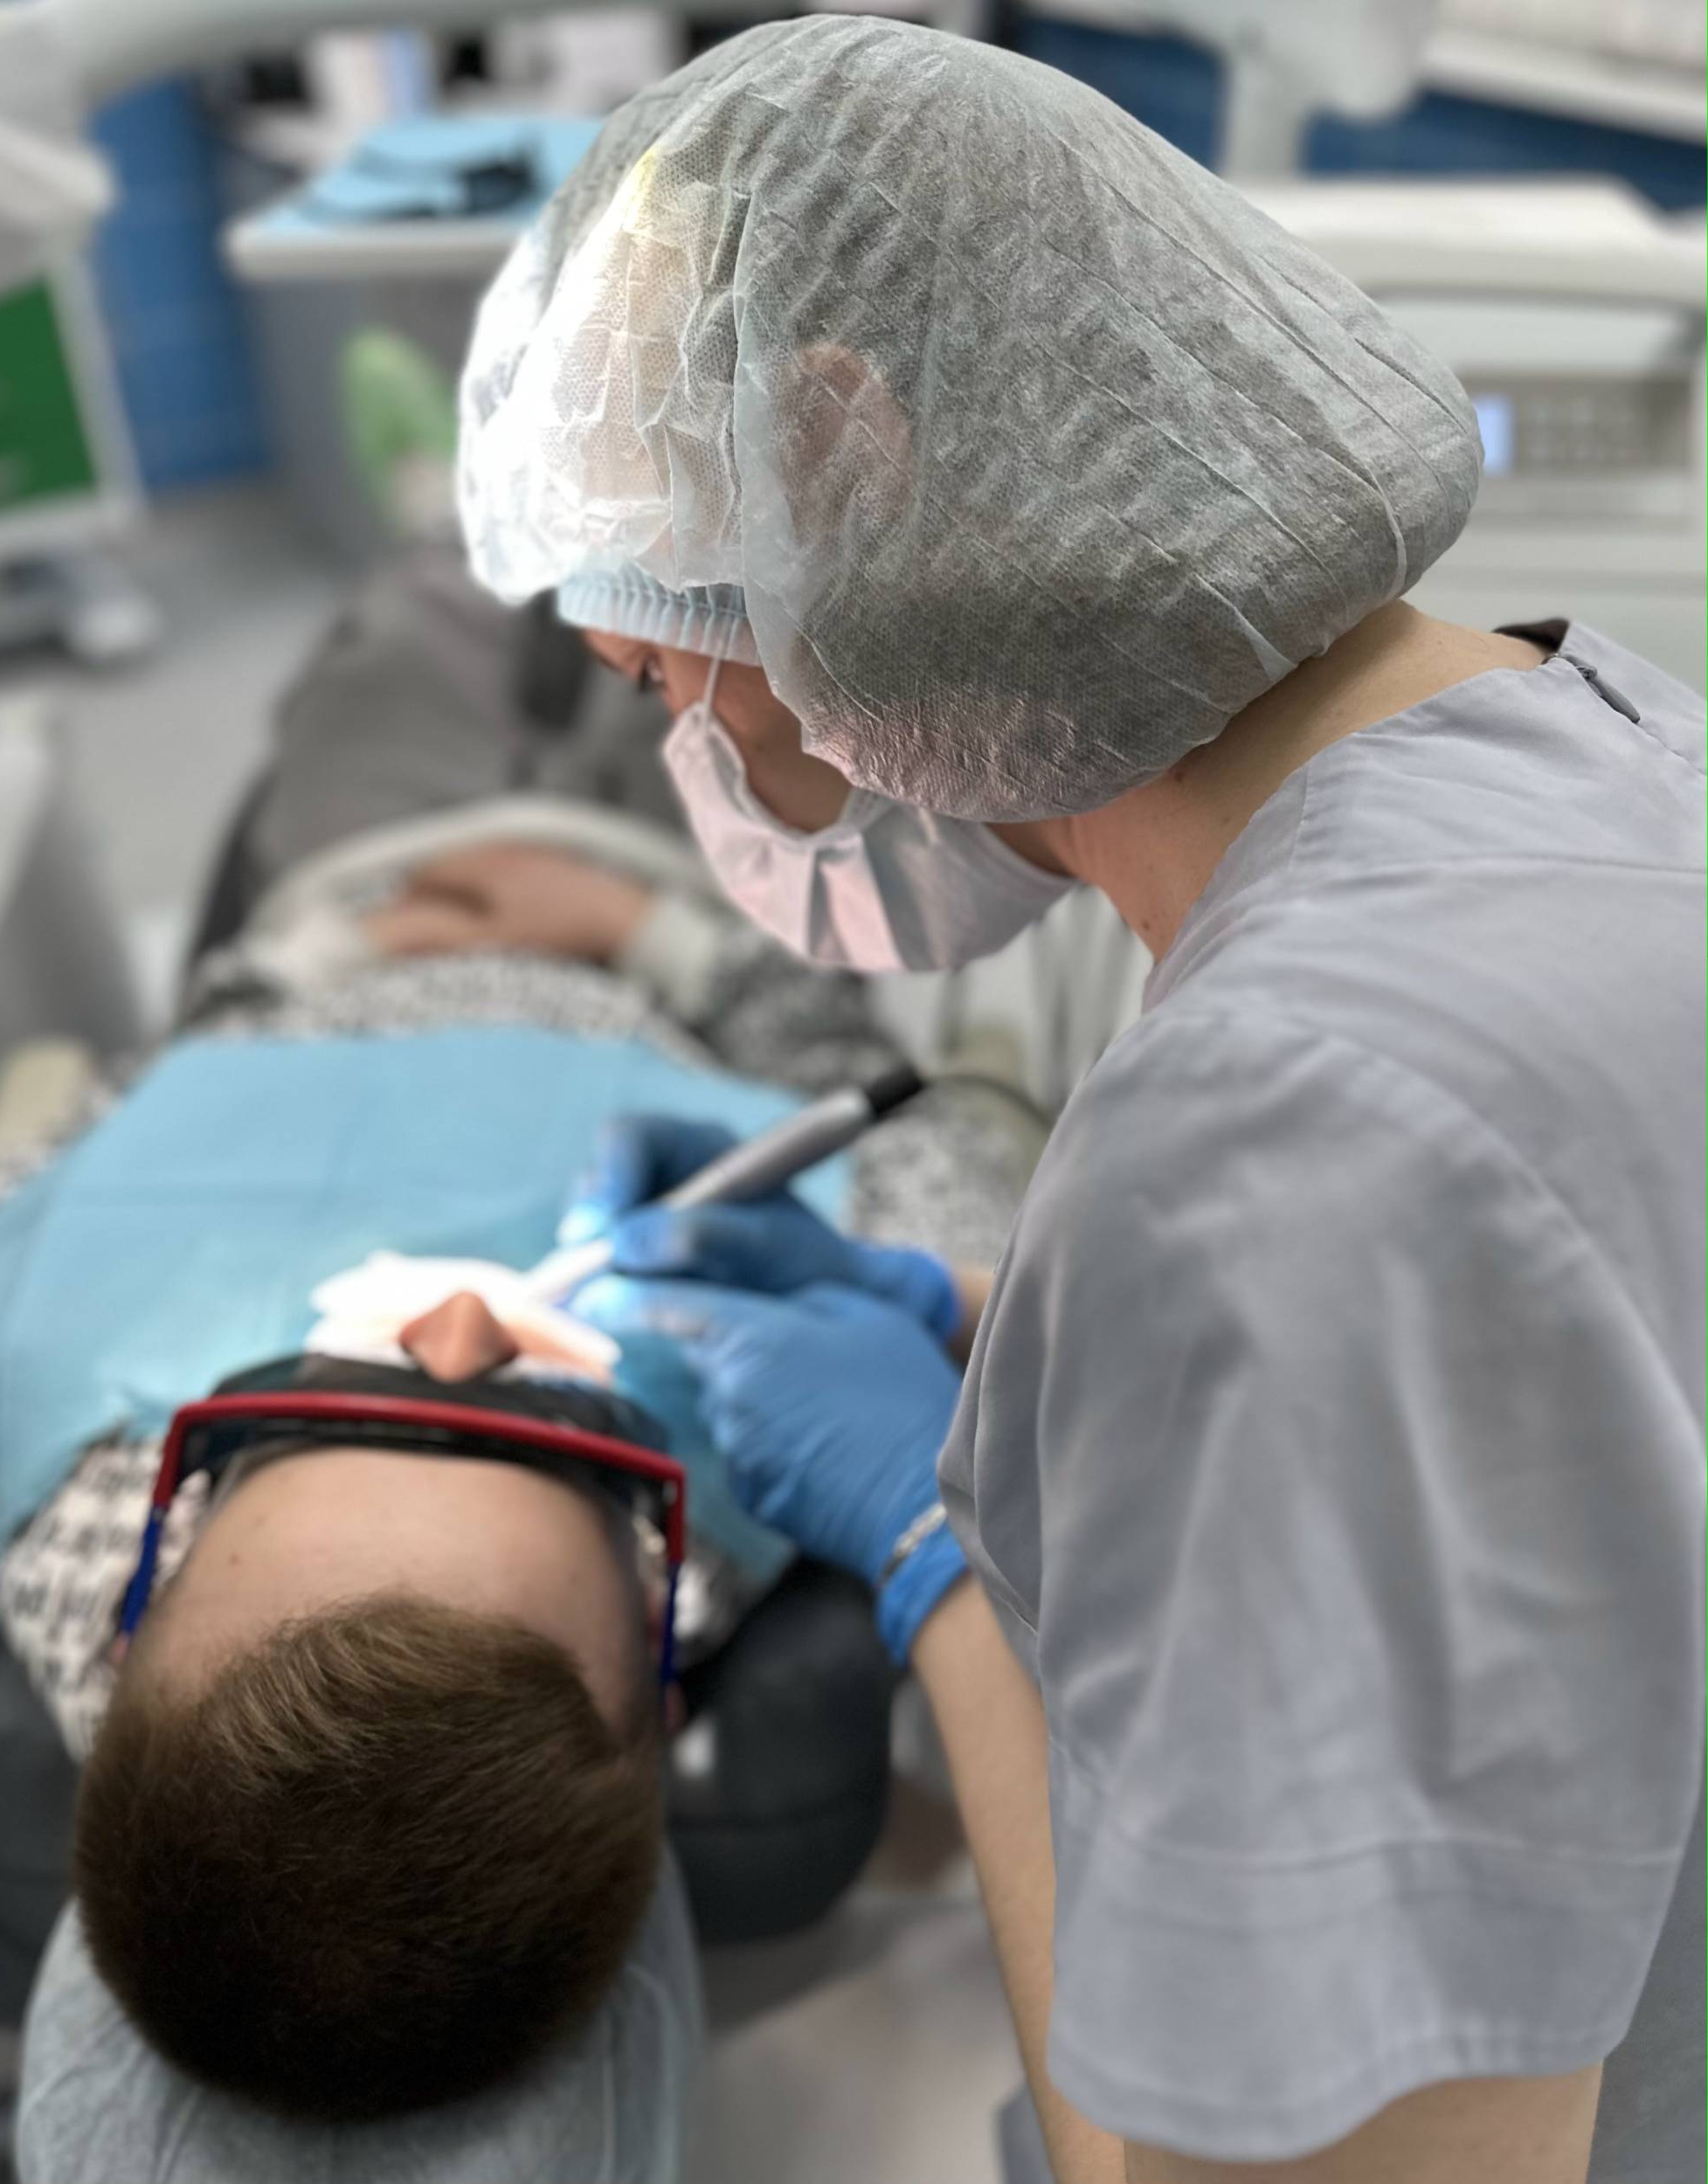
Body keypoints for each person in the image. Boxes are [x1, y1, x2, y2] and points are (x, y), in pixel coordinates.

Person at [456, 18, 1706, 2184]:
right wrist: (1009, 1351)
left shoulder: (1274, 1158)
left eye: (663, 671)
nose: (694, 763)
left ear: (839, 469)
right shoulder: (1604, 739)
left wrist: (931, 1547)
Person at [0, 555, 1039, 2183]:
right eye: (544, 1428)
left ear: (146, 1594)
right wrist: (659, 936)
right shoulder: (782, 1469)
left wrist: (294, 974)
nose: (464, 1325)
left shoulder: (51, 1477)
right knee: (708, 614)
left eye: (331, 1399)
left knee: (425, 616)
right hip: (679, 906)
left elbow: (98, 1125)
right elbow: (874, 1091)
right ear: (658, 1676)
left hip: (349, 908)